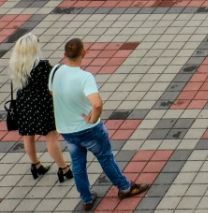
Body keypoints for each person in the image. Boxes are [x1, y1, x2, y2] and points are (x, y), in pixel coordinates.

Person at [49, 38, 150, 209]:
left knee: (78, 165)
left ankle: (87, 199)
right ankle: (125, 188)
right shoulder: (85, 77)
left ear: (64, 54)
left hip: (67, 130)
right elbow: (96, 103)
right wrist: (94, 117)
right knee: (105, 157)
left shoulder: (55, 72)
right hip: (88, 129)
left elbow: (53, 93)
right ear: (84, 53)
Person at [7, 33, 71, 182]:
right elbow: (53, 84)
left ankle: (36, 165)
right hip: (43, 104)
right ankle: (64, 168)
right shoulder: (42, 65)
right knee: (51, 137)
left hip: (24, 103)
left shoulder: (16, 64)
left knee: (28, 136)